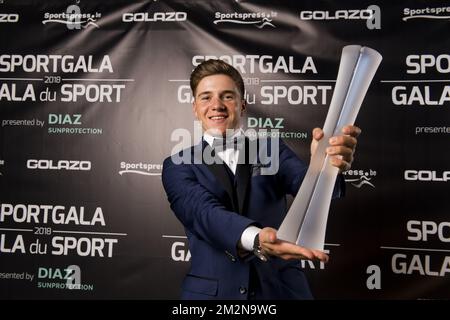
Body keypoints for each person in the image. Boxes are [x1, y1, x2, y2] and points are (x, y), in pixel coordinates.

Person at [162, 59, 360, 299]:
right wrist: (256, 238)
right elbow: (204, 213)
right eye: (206, 97)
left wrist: (326, 165)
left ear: (242, 105)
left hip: (280, 292)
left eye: (227, 96)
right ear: (195, 108)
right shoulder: (177, 165)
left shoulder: (272, 149)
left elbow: (311, 190)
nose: (217, 105)